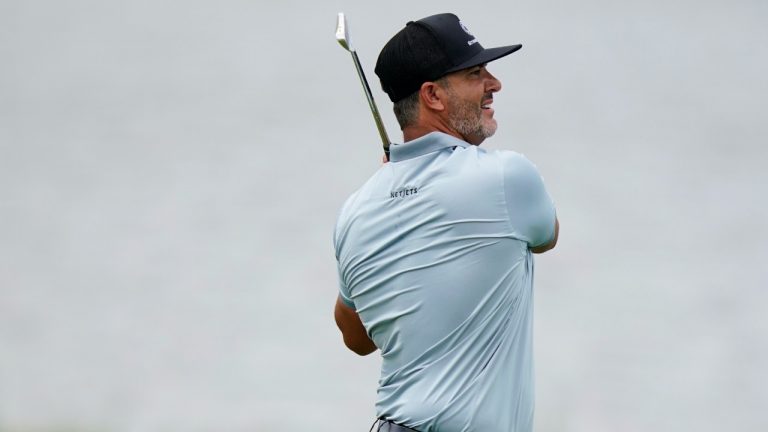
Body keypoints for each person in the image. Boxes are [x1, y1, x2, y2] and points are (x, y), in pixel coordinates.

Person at [333, 13, 559, 432]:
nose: (494, 84)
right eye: (475, 74)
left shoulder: (356, 210)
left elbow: (356, 337)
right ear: (432, 95)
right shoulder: (507, 179)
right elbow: (546, 236)